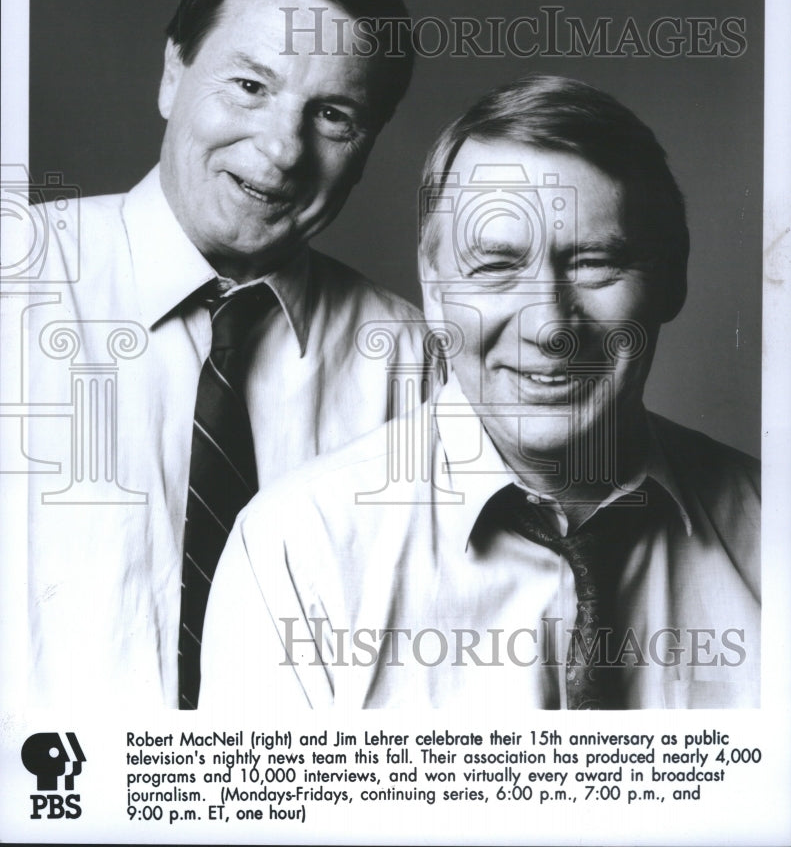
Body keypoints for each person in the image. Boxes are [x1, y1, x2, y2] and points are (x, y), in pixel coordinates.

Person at [200, 75, 760, 710]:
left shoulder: (775, 534)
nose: (549, 325)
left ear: (671, 279)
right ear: (435, 290)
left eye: (594, 262)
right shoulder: (298, 553)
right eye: (496, 267)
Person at [22, 0, 429, 709]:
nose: (280, 151)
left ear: (368, 146)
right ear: (174, 72)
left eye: (334, 116)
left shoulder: (416, 369)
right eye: (249, 85)